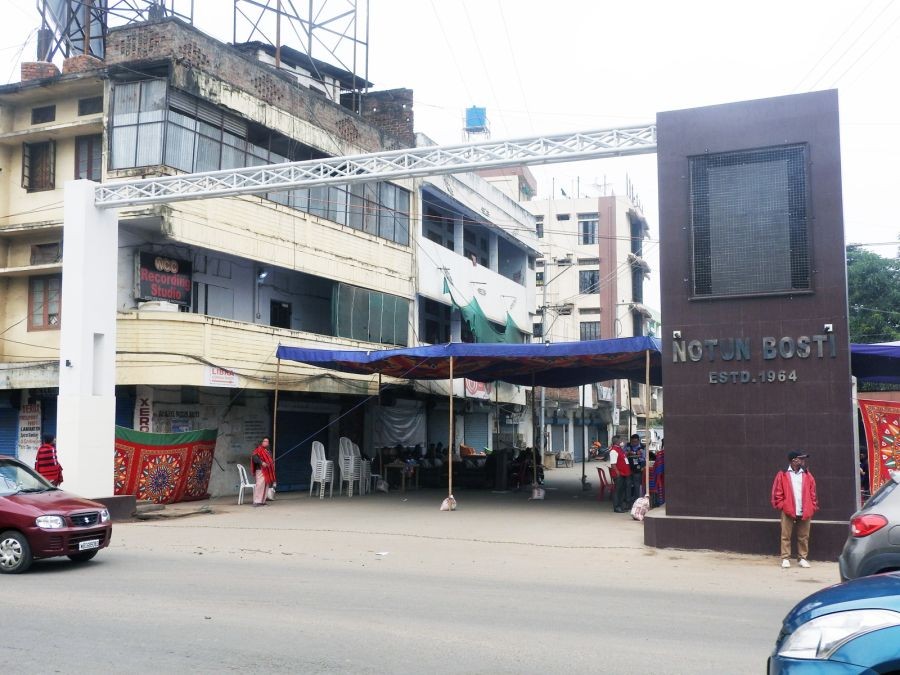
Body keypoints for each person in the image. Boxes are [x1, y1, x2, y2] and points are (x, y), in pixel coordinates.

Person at [771, 450, 818, 568]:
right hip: (788, 509)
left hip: (805, 509)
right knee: (785, 535)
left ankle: (802, 558)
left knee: (804, 536)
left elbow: (813, 492)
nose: (803, 461)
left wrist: (812, 506)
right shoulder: (782, 474)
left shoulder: (807, 475)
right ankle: (785, 558)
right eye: (801, 459)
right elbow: (777, 492)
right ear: (794, 460)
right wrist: (783, 505)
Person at [250, 437, 276, 507]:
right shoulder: (258, 450)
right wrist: (262, 463)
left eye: (267, 441)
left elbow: (269, 459)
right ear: (262, 442)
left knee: (265, 486)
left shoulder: (268, 451)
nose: (266, 443)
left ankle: (263, 501)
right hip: (261, 470)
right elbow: (255, 458)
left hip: (267, 470)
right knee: (260, 485)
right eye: (264, 441)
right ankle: (257, 501)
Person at [608, 436, 631, 513]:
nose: (622, 441)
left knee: (622, 491)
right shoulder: (614, 451)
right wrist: (618, 473)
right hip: (619, 474)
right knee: (618, 491)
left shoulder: (619, 449)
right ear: (617, 441)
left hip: (624, 473)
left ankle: (621, 506)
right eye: (621, 440)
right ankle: (617, 507)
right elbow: (613, 464)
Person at [625, 434, 646, 504]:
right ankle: (628, 501)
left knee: (637, 485)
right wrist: (628, 453)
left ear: (638, 441)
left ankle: (636, 501)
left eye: (635, 442)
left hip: (637, 468)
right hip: (628, 468)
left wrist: (640, 456)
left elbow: (645, 458)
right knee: (628, 485)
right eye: (632, 442)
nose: (634, 443)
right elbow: (622, 455)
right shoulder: (627, 446)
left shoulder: (643, 447)